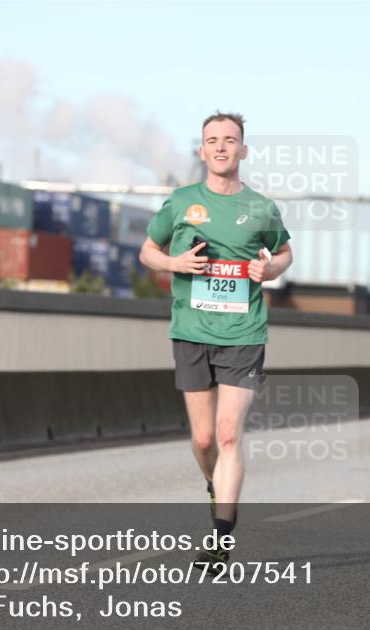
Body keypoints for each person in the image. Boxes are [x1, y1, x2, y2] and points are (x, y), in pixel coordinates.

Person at [139, 111, 293, 566]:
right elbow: (148, 251)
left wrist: (270, 268)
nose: (221, 147)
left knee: (228, 435)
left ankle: (221, 538)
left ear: (243, 150)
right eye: (213, 140)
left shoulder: (261, 208)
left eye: (230, 140)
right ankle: (215, 486)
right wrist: (175, 264)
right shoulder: (182, 202)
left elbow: (284, 253)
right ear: (202, 150)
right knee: (204, 441)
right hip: (191, 332)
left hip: (244, 333)